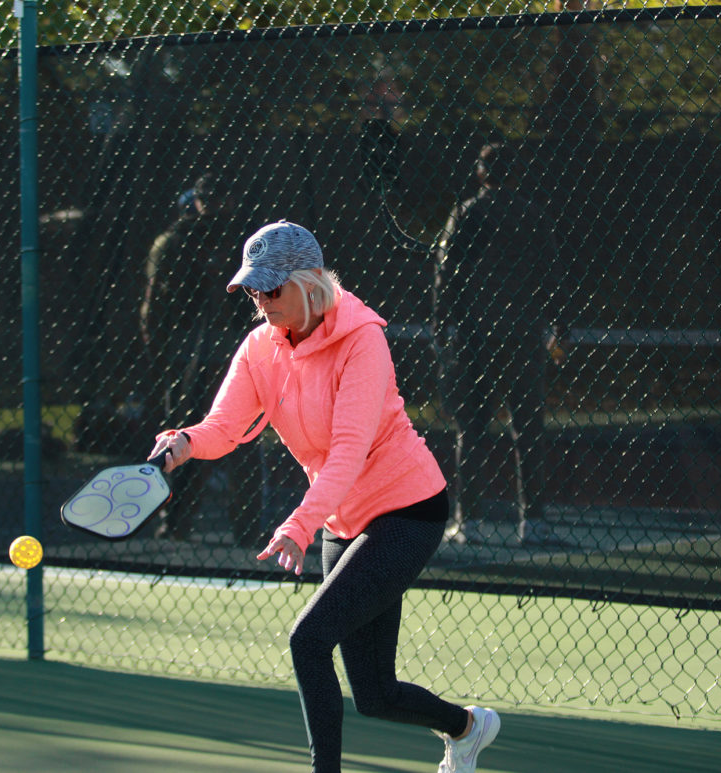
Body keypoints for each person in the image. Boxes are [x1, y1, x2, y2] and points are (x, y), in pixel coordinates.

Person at [148, 220, 501, 773]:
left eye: (272, 288)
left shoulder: (363, 341)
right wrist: (186, 442)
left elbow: (348, 451)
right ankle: (469, 727)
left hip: (407, 509)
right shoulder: (260, 347)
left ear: (310, 284)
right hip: (343, 517)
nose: (261, 301)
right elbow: (224, 425)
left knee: (307, 640)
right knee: (375, 694)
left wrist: (299, 524)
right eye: (253, 290)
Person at [433, 141, 562, 546]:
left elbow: (446, 272)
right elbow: (551, 273)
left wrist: (443, 324)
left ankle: (468, 521)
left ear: (481, 172)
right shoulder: (532, 215)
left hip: (477, 335)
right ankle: (533, 522)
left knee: (471, 429)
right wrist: (556, 323)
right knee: (528, 429)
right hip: (522, 333)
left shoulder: (469, 213)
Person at [139, 172, 259, 544]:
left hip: (226, 353)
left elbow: (154, 305)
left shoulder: (242, 241)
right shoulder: (179, 242)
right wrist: (162, 350)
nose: (221, 209)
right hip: (193, 353)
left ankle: (241, 527)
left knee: (235, 441)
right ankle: (180, 523)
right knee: (193, 440)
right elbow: (157, 301)